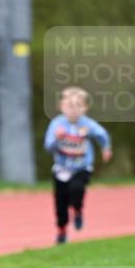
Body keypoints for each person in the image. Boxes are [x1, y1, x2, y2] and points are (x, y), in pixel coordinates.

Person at [43, 87, 112, 245]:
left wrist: (106, 148)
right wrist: (56, 138)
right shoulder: (57, 124)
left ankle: (78, 209)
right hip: (61, 169)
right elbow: (48, 146)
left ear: (85, 108)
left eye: (78, 106)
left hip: (82, 167)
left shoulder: (87, 124)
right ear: (62, 107)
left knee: (76, 190)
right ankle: (62, 230)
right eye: (69, 106)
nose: (73, 110)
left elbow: (101, 134)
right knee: (60, 204)